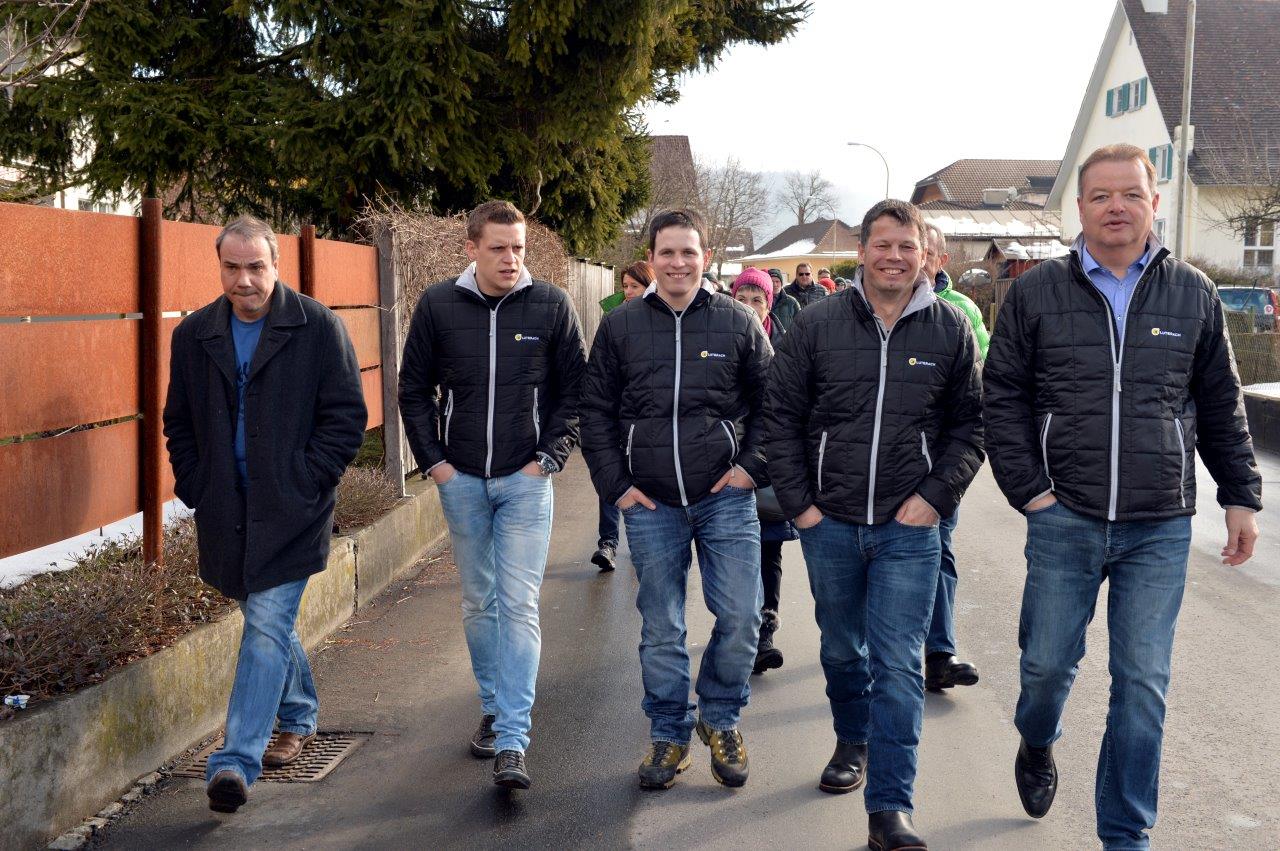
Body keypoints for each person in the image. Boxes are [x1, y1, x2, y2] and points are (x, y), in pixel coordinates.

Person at [984, 144, 1263, 850]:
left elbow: (1221, 403)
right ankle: (1037, 738)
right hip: (1064, 515)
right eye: (1102, 195)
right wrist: (1031, 492)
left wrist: (1240, 495)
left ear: (1153, 202)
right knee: (1046, 667)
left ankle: (1125, 834)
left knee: (1142, 683)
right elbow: (1003, 398)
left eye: (1131, 194)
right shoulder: (1036, 293)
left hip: (1158, 523)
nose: (1117, 207)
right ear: (1079, 207)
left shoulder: (1193, 293)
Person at [766, 199, 984, 851]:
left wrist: (935, 497)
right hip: (828, 522)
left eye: (906, 246)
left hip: (908, 528)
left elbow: (971, 427)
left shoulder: (949, 328)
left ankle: (890, 808)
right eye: (882, 245)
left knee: (898, 664)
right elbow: (781, 418)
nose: (894, 257)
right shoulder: (817, 323)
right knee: (842, 650)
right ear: (861, 252)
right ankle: (851, 738)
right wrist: (801, 506)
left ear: (924, 255)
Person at [164, 215, 367, 814]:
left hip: (292, 509)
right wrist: (197, 484)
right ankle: (298, 713)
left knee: (265, 624)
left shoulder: (317, 326)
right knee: (267, 621)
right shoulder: (195, 334)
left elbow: (345, 418)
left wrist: (308, 480)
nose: (244, 280)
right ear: (220, 267)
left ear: (277, 266)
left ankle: (234, 762)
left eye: (256, 267)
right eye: (232, 267)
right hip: (226, 509)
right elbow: (179, 421)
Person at [580, 209, 772, 791]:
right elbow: (595, 412)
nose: (678, 263)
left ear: (705, 258)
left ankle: (721, 717)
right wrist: (617, 486)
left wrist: (749, 469)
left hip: (725, 498)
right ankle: (669, 732)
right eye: (667, 252)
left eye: (689, 252)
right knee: (661, 627)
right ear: (651, 258)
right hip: (651, 504)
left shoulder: (738, 322)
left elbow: (775, 406)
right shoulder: (620, 327)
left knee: (741, 616)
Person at [399, 200, 587, 790]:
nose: (511, 259)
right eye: (499, 248)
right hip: (461, 481)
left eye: (519, 248)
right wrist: (436, 465)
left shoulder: (551, 305)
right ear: (472, 248)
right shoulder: (438, 305)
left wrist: (546, 460)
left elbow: (575, 393)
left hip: (525, 482)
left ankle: (512, 737)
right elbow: (412, 389)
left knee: (519, 604)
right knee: (481, 602)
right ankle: (492, 705)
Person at [920, 223, 990, 694]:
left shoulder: (962, 311)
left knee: (939, 550)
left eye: (926, 251)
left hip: (943, 460)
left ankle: (939, 653)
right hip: (882, 464)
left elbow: (980, 384)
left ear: (940, 260)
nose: (917, 259)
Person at [731, 267, 795, 676]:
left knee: (769, 549)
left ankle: (764, 631)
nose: (751, 306)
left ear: (770, 305)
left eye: (758, 299)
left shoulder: (787, 345)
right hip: (729, 464)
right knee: (738, 554)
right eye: (743, 298)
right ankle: (740, 628)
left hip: (772, 466)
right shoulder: (723, 337)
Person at [592, 260, 655, 572]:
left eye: (635, 286)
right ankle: (608, 543)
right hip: (616, 418)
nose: (628, 291)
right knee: (611, 478)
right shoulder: (613, 319)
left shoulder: (660, 322)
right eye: (625, 286)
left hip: (644, 422)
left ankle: (641, 540)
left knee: (643, 481)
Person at [767, 267, 801, 332]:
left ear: (781, 283)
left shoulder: (792, 302)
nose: (775, 284)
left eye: (777, 281)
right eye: (771, 281)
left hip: (787, 337)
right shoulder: (762, 301)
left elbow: (800, 323)